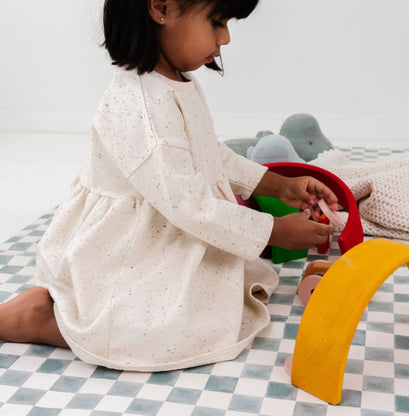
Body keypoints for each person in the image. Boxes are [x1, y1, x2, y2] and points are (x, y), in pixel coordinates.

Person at [0, 0, 338, 371]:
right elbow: (189, 206)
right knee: (159, 329)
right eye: (216, 21)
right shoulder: (141, 104)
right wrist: (274, 231)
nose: (225, 37)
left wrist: (278, 186)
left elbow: (208, 154)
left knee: (214, 293)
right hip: (130, 243)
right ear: (161, 8)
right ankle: (43, 318)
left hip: (170, 219)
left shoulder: (174, 78)